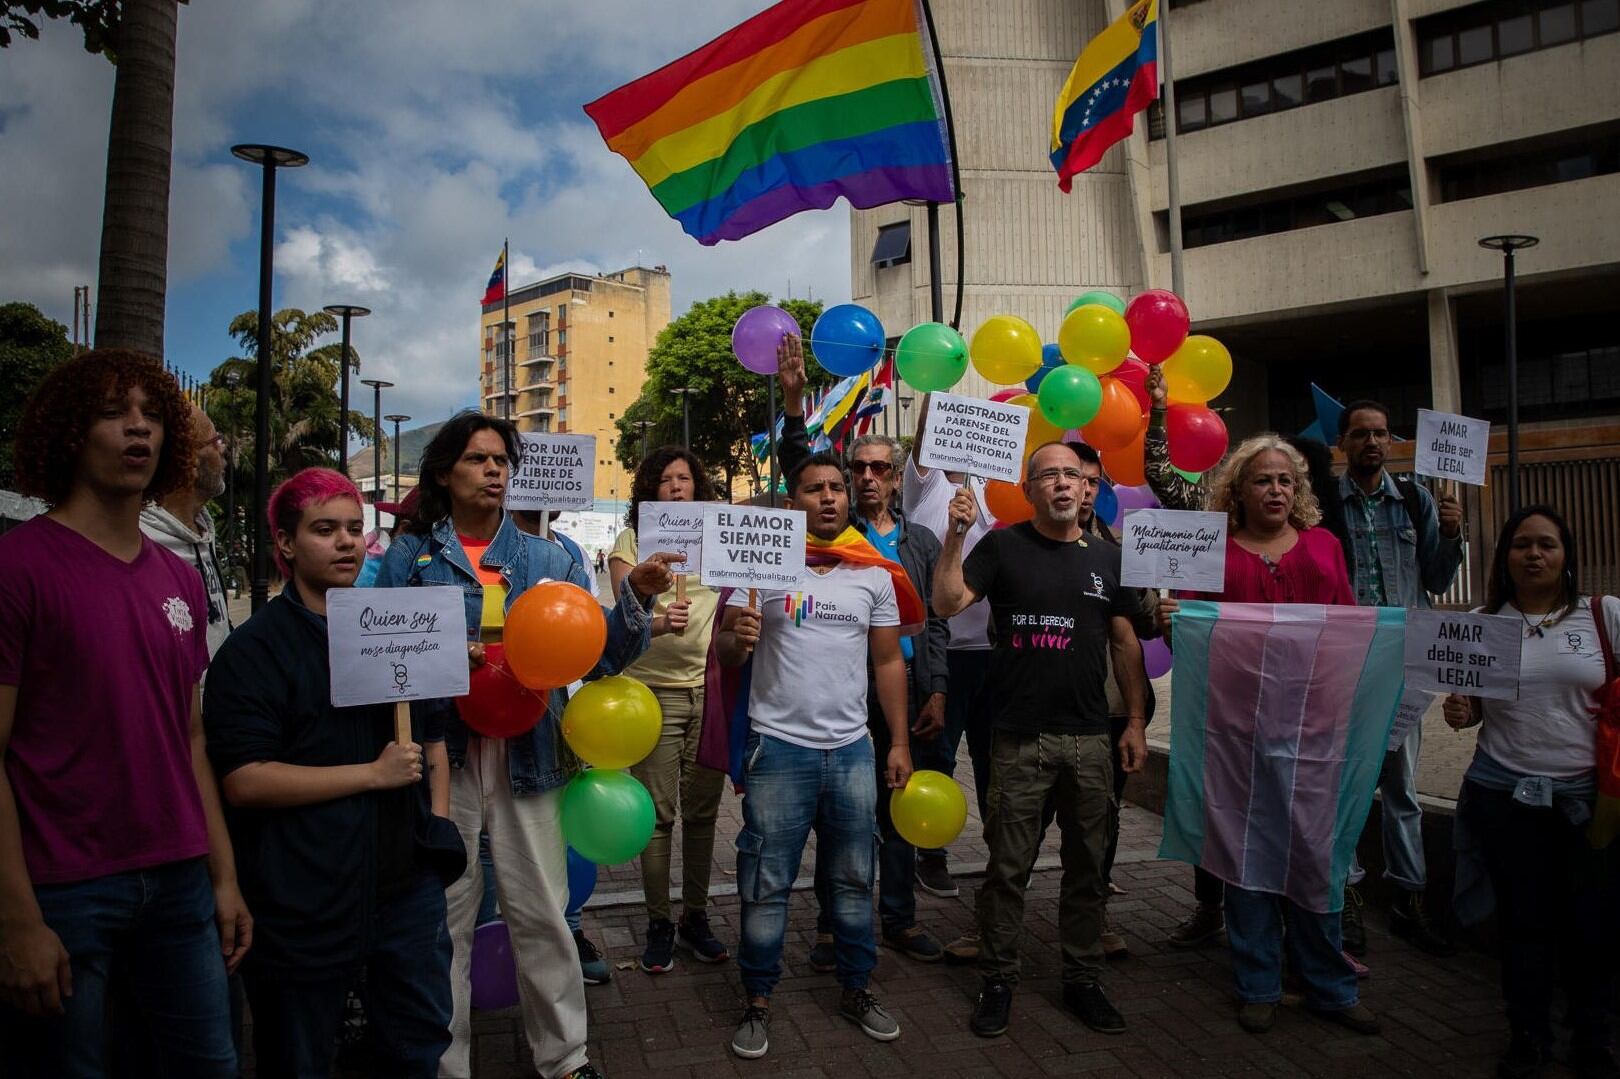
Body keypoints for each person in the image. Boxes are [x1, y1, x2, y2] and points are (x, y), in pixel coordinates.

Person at [376, 410, 675, 1079]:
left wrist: (635, 597)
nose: (492, 471)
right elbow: (379, 653)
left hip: (529, 757)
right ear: (445, 473)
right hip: (441, 760)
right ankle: (443, 1063)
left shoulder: (550, 557)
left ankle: (566, 1057)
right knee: (444, 918)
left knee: (541, 909)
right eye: (477, 459)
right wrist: (444, 658)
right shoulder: (411, 559)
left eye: (501, 460)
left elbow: (602, 658)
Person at [0, 350, 246, 1077]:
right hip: (63, 890)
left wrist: (223, 876)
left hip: (177, 882)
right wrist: (15, 916)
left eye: (150, 415)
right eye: (113, 413)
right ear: (69, 433)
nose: (138, 428)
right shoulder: (20, 567)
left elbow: (190, 735)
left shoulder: (177, 576)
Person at [203, 468, 465, 1077]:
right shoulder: (254, 652)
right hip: (302, 899)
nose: (347, 542)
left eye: (354, 529)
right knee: (300, 1055)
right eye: (325, 530)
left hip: (404, 892)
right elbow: (244, 779)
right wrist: (369, 775)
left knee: (417, 1046)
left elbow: (432, 741)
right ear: (287, 543)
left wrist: (438, 833)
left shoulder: (397, 624)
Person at [1157, 434, 1379, 1037]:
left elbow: (1350, 628)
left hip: (1315, 730)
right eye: (1262, 480)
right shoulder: (1214, 553)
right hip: (1237, 730)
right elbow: (1193, 635)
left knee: (1315, 854)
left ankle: (1328, 985)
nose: (1276, 490)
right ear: (1238, 491)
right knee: (1244, 854)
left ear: (1299, 489)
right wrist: (1173, 616)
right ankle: (1257, 981)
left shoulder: (1325, 546)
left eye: (1286, 480)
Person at [933, 441, 1148, 1039]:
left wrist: (1133, 723)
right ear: (1027, 490)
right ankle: (998, 979)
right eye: (1047, 475)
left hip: (1090, 740)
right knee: (1007, 868)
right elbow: (946, 601)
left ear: (1088, 491)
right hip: (1018, 739)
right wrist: (955, 534)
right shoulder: (1001, 546)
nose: (1060, 484)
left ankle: (1083, 978)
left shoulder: (1110, 558)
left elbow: (1126, 643)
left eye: (1072, 476)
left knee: (1087, 869)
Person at [716, 451, 919, 1059]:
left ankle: (857, 987)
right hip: (777, 750)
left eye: (836, 488)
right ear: (792, 501)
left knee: (855, 878)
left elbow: (887, 662)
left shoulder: (874, 573)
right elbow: (726, 652)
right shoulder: (760, 567)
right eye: (813, 489)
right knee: (766, 880)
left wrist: (900, 741)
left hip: (853, 751)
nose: (829, 497)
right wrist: (737, 638)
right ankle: (757, 1000)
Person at [777, 341, 951, 965]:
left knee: (899, 805)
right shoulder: (833, 534)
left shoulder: (920, 539)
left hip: (905, 688)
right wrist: (795, 403)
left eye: (882, 468)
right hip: (845, 691)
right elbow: (800, 462)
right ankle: (831, 924)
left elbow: (932, 622)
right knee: (840, 816)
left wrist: (935, 688)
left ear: (895, 475)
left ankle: (899, 917)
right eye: (861, 469)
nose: (869, 477)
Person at [1445, 506, 1619, 1079]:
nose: (1534, 554)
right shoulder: (1481, 623)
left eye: (1547, 544)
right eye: (1522, 544)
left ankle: (1593, 1036)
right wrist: (1460, 709)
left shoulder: (1604, 617)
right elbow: (1468, 716)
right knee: (1523, 925)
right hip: (1506, 796)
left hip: (1588, 802)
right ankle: (1528, 1037)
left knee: (1590, 925)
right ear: (1506, 557)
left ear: (1566, 555)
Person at [1335, 400, 1463, 958]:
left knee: (1402, 787)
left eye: (1381, 434)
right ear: (1344, 443)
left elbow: (1435, 576)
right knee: (1347, 785)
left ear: (1393, 442)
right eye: (1361, 434)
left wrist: (1456, 535)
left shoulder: (1416, 500)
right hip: (1348, 664)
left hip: (1407, 664)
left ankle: (1409, 899)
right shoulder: (1324, 506)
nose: (1372, 442)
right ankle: (1348, 895)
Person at [607, 447, 731, 974]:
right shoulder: (630, 543)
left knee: (703, 814)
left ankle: (695, 916)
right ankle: (659, 921)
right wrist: (657, 616)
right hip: (650, 693)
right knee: (658, 818)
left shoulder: (720, 536)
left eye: (684, 479)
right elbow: (623, 617)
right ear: (648, 492)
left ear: (698, 488)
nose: (675, 487)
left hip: (710, 691)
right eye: (663, 480)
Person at [898, 393, 997, 953]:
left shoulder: (992, 487)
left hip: (992, 648)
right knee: (937, 752)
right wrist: (934, 392)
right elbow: (922, 437)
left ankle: (998, 853)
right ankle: (928, 852)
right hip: (943, 648)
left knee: (992, 757)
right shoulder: (927, 484)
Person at [510, 508, 613, 986]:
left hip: (554, 719)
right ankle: (497, 946)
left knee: (558, 842)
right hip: (476, 737)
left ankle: (570, 933)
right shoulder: (430, 553)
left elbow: (592, 635)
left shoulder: (566, 553)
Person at [141, 403, 233, 658]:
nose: (223, 450)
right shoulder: (140, 541)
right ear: (189, 460)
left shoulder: (204, 531)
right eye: (216, 441)